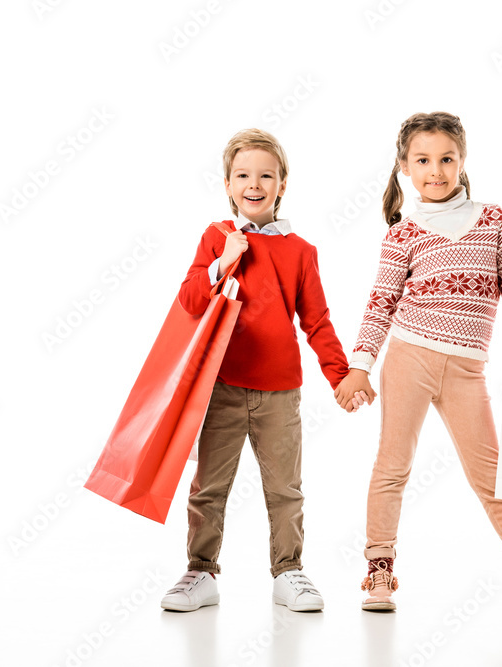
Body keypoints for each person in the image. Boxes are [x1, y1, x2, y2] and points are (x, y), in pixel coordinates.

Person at [334, 112, 502, 613]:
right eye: (423, 161)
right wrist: (360, 365)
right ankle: (379, 569)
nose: (436, 171)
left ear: (462, 161)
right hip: (409, 357)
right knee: (393, 466)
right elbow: (381, 303)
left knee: (492, 475)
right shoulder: (402, 234)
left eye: (446, 159)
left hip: (466, 370)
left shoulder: (492, 218)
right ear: (404, 168)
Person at [160, 128, 354, 612]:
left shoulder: (300, 251)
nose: (254, 183)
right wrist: (223, 262)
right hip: (221, 387)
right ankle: (200, 572)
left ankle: (289, 572)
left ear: (282, 184)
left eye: (266, 175)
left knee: (286, 489)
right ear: (228, 185)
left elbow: (317, 321)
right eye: (243, 175)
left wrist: (341, 374)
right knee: (208, 487)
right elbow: (188, 300)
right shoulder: (216, 238)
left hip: (280, 392)